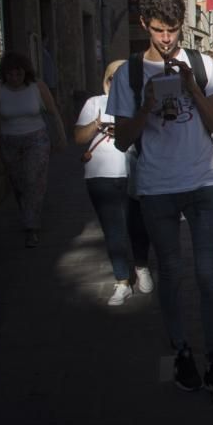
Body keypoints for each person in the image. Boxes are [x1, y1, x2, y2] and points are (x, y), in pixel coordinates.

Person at [107, 0, 213, 405]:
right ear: (145, 24)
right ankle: (182, 352)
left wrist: (192, 89)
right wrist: (145, 106)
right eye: (160, 30)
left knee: (208, 275)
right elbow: (121, 142)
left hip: (202, 180)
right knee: (171, 271)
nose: (168, 39)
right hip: (156, 187)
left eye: (175, 30)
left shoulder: (201, 64)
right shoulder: (130, 72)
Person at [74, 60, 154, 306]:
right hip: (101, 174)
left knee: (138, 225)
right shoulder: (94, 103)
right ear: (105, 81)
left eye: (125, 79)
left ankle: (141, 266)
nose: (117, 84)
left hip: (135, 172)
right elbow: (78, 137)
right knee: (113, 229)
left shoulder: (140, 103)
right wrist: (97, 124)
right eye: (112, 79)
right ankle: (121, 281)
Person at [0, 52, 65, 248]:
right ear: (4, 74)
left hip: (36, 138)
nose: (14, 78)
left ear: (25, 73)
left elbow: (52, 111)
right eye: (10, 75)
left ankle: (31, 227)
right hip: (9, 140)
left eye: (18, 74)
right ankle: (29, 213)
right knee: (18, 183)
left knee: (33, 180)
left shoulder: (36, 86)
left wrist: (61, 135)